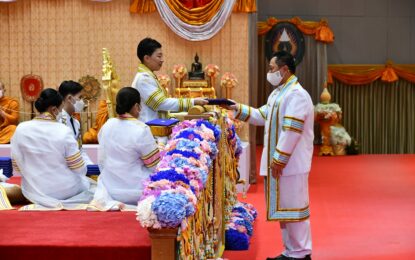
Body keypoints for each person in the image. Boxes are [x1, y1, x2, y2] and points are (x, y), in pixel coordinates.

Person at [227, 51, 313, 260]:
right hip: (282, 164)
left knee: (294, 208)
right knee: (284, 209)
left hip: (290, 164)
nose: (269, 72)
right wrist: (236, 108)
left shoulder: (296, 94)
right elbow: (261, 115)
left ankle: (302, 252)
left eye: (272, 68)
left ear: (284, 70)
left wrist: (279, 159)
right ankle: (291, 250)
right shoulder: (278, 93)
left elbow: (292, 130)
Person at [11, 88, 94, 210]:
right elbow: (79, 169)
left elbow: (17, 166)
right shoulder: (63, 130)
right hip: (64, 190)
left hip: (32, 191)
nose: (61, 112)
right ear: (54, 110)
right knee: (92, 185)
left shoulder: (21, 129)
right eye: (60, 109)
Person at [88, 87, 160, 211]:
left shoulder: (107, 125)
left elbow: (103, 158)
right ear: (137, 106)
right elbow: (154, 165)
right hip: (136, 190)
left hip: (109, 188)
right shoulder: (141, 129)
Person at [131, 37, 208, 122]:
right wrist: (192, 102)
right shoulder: (144, 79)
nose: (162, 60)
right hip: (150, 128)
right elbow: (161, 103)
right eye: (159, 56)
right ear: (147, 58)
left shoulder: (148, 76)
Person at [58, 80, 93, 165]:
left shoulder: (76, 122)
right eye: (80, 97)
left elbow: (79, 149)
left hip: (76, 168)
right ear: (69, 98)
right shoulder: (58, 120)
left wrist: (91, 166)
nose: (82, 102)